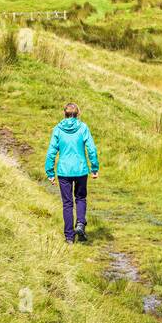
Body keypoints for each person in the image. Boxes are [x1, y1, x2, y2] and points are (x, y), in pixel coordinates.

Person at [44, 102, 99, 244]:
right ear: (78, 113)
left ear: (65, 113)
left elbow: (51, 152)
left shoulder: (58, 129)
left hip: (64, 171)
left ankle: (69, 237)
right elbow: (91, 149)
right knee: (80, 198)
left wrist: (50, 172)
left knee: (67, 203)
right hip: (81, 170)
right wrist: (94, 168)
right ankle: (80, 224)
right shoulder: (83, 128)